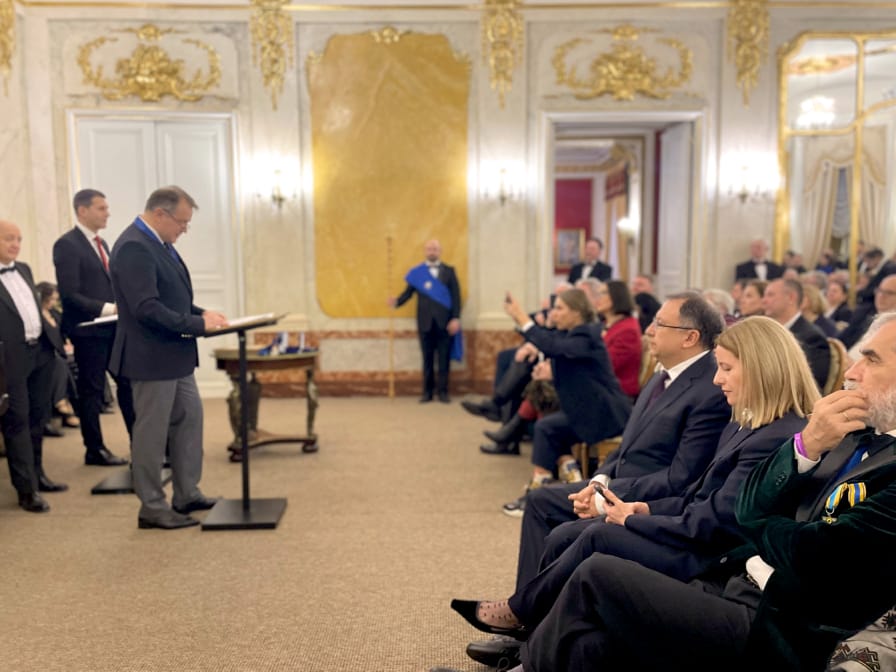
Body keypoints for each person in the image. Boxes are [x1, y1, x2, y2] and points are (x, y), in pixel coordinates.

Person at [504, 311, 896, 672]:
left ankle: (521, 640)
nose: (851, 371)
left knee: (596, 568)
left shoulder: (860, 453)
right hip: (739, 580)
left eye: (872, 360)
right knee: (589, 642)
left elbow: (798, 546)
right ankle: (526, 653)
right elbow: (741, 508)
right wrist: (805, 448)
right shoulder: (841, 435)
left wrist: (759, 523)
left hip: (775, 622)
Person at [448, 316, 819, 669]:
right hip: (694, 537)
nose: (717, 378)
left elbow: (714, 523)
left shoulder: (773, 435)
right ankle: (529, 637)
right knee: (569, 535)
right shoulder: (747, 423)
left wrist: (633, 520)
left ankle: (520, 618)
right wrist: (643, 509)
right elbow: (694, 497)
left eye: (726, 368)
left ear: (760, 369)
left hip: (707, 558)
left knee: (598, 538)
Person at [109, 186, 227, 530]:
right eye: (182, 222)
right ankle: (152, 506)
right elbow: (146, 308)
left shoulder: (158, 243)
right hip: (151, 358)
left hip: (175, 355)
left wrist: (202, 314)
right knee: (152, 434)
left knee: (189, 420)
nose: (184, 230)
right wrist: (197, 325)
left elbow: (172, 298)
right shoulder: (134, 246)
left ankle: (187, 493)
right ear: (160, 214)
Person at [500, 288, 631, 516]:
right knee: (550, 428)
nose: (554, 313)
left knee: (546, 428)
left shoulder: (587, 335)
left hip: (605, 415)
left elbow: (553, 347)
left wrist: (522, 317)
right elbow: (553, 344)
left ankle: (536, 492)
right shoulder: (574, 333)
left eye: (560, 308)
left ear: (577, 312)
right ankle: (572, 481)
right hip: (587, 411)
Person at [53, 188, 132, 466]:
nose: (107, 213)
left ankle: (141, 444)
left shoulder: (103, 244)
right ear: (82, 210)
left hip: (112, 329)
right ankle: (94, 449)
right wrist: (109, 308)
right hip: (88, 332)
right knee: (92, 392)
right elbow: (70, 294)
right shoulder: (67, 244)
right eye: (101, 208)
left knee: (127, 385)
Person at [0, 220, 68, 512]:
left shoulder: (24, 269)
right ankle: (26, 489)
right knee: (17, 421)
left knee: (39, 417)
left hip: (39, 352)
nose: (15, 244)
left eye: (19, 239)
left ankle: (38, 475)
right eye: (8, 239)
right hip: (9, 360)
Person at [389, 239, 461, 403]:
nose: (432, 251)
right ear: (425, 251)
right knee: (427, 359)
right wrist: (397, 302)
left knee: (443, 359)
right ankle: (427, 393)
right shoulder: (417, 273)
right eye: (429, 249)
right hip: (425, 323)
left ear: (440, 251)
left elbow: (456, 297)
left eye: (435, 248)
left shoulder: (449, 271)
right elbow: (408, 293)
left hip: (445, 323)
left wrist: (455, 318)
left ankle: (443, 392)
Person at [761, 278, 830, 390]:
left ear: (790, 298)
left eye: (770, 295)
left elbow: (810, 384)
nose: (764, 301)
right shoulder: (768, 332)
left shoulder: (811, 338)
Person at [35, 281, 79, 436]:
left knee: (69, 362)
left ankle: (63, 403)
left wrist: (68, 343)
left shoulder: (54, 313)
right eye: (51, 299)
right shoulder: (36, 316)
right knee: (59, 364)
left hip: (60, 352)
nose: (54, 302)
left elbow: (63, 332)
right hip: (44, 353)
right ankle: (62, 403)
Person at [591, 280, 641, 399]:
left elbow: (605, 365)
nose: (597, 299)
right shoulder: (605, 324)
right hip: (601, 388)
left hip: (616, 395)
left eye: (603, 293)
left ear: (617, 296)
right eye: (597, 294)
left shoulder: (628, 330)